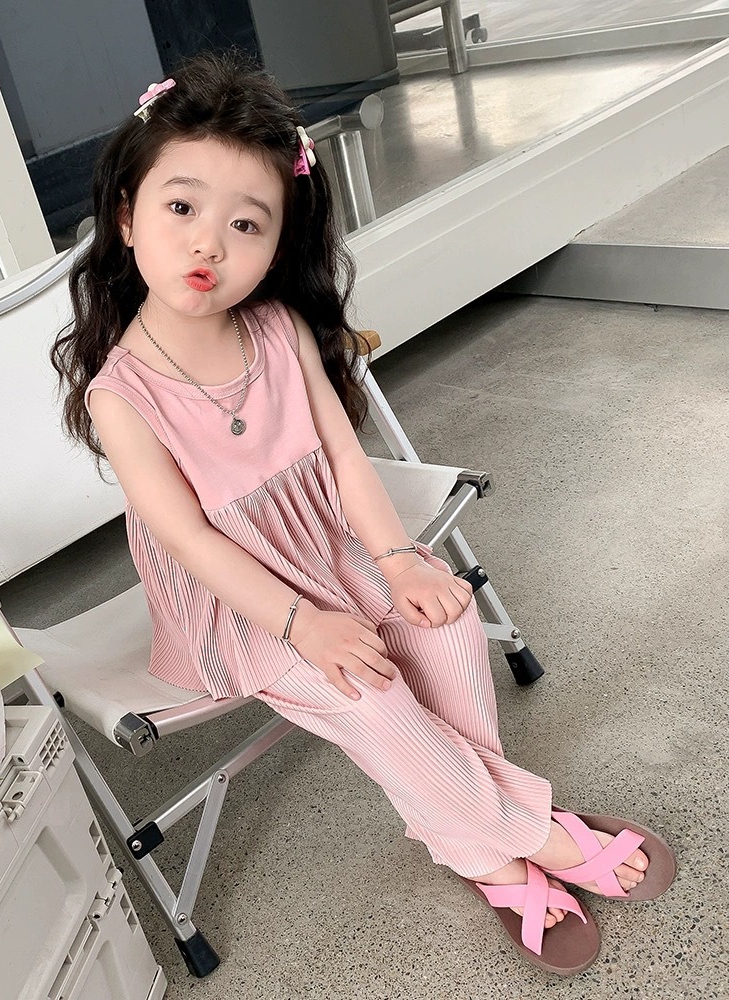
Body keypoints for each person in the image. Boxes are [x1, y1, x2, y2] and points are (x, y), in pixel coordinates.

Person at [51, 51, 675, 976]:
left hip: (329, 545)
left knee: (447, 627)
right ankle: (531, 836)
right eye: (181, 208)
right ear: (126, 215)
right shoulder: (121, 394)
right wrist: (303, 624)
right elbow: (187, 539)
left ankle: (471, 841)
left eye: (245, 223)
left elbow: (345, 456)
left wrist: (397, 558)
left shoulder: (277, 327)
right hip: (239, 601)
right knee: (372, 694)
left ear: (278, 244)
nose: (208, 245)